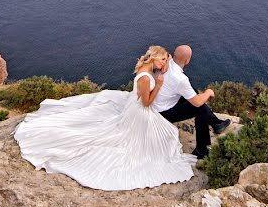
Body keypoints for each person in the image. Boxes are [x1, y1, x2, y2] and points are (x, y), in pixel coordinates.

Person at [13, 46, 197, 191]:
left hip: (133, 105)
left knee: (165, 136)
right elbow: (147, 103)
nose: (165, 63)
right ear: (154, 58)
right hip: (140, 112)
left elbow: (148, 84)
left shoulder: (145, 69)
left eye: (167, 59)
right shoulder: (146, 78)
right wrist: (158, 85)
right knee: (153, 143)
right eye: (163, 59)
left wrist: (163, 68)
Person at [154, 45, 230, 159]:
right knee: (200, 108)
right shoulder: (181, 79)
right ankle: (201, 150)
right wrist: (208, 92)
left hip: (157, 104)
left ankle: (216, 123)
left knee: (192, 92)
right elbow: (197, 103)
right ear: (187, 61)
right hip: (163, 113)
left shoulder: (166, 62)